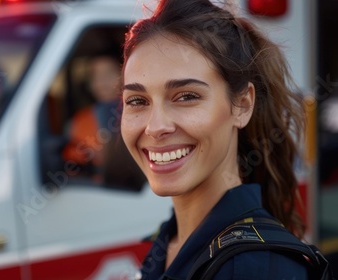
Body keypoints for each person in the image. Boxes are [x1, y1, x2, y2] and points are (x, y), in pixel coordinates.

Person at [120, 0, 325, 279]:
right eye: (137, 100)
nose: (155, 127)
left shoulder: (255, 268)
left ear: (241, 104)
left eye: (186, 96)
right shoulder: (169, 241)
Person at [62, 54, 121, 180]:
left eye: (108, 73)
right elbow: (73, 166)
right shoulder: (79, 121)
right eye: (94, 75)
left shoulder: (143, 113)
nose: (101, 81)